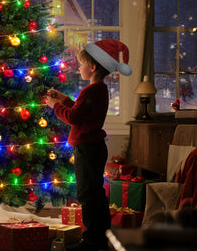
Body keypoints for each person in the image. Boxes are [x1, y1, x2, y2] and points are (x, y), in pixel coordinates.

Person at [46, 39, 132, 251]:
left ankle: (92, 240)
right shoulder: (98, 89)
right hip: (93, 147)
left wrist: (54, 106)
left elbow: (74, 117)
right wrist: (64, 99)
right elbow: (80, 110)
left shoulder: (92, 91)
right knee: (95, 192)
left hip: (87, 149)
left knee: (87, 194)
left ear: (92, 67)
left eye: (81, 64)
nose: (79, 68)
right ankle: (100, 236)